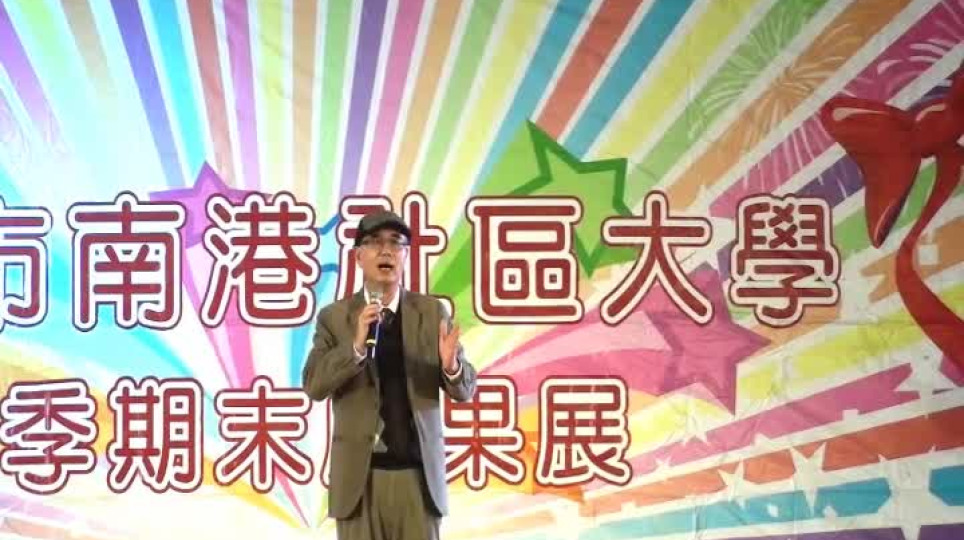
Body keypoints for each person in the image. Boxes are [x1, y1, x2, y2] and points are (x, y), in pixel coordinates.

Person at [302, 208, 477, 540]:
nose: (386, 251)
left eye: (396, 243)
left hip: (418, 480)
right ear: (358, 257)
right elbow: (314, 385)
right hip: (359, 481)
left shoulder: (431, 313)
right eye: (374, 242)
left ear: (406, 255)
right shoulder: (335, 318)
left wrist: (451, 366)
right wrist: (355, 347)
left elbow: (465, 389)